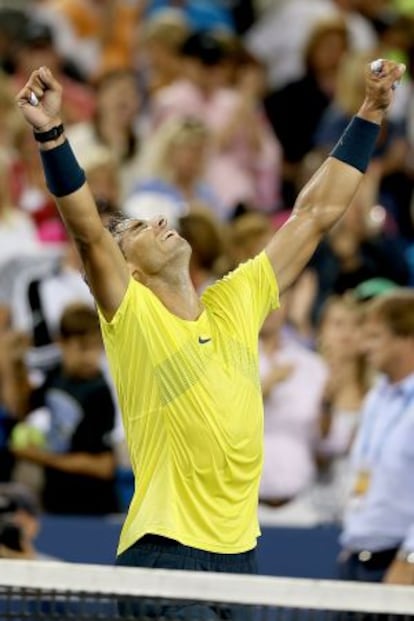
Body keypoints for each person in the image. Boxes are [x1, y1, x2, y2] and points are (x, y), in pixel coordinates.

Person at [15, 59, 404, 619]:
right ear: (132, 274)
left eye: (147, 219)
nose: (152, 223)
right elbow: (86, 230)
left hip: (241, 559)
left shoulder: (237, 300)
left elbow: (315, 213)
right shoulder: (133, 318)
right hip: (165, 555)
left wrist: (369, 112)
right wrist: (51, 132)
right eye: (133, 231)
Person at [10, 303, 119, 516]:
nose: (91, 356)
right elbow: (26, 412)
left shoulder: (99, 393)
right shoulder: (55, 376)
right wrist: (17, 367)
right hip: (54, 503)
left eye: (97, 347)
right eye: (83, 347)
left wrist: (40, 457)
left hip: (92, 509)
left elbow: (104, 466)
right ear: (62, 343)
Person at [337, 289, 414, 587]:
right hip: (357, 558)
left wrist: (409, 558)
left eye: (374, 336)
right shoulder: (376, 398)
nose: (362, 347)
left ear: (406, 338)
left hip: (399, 564)